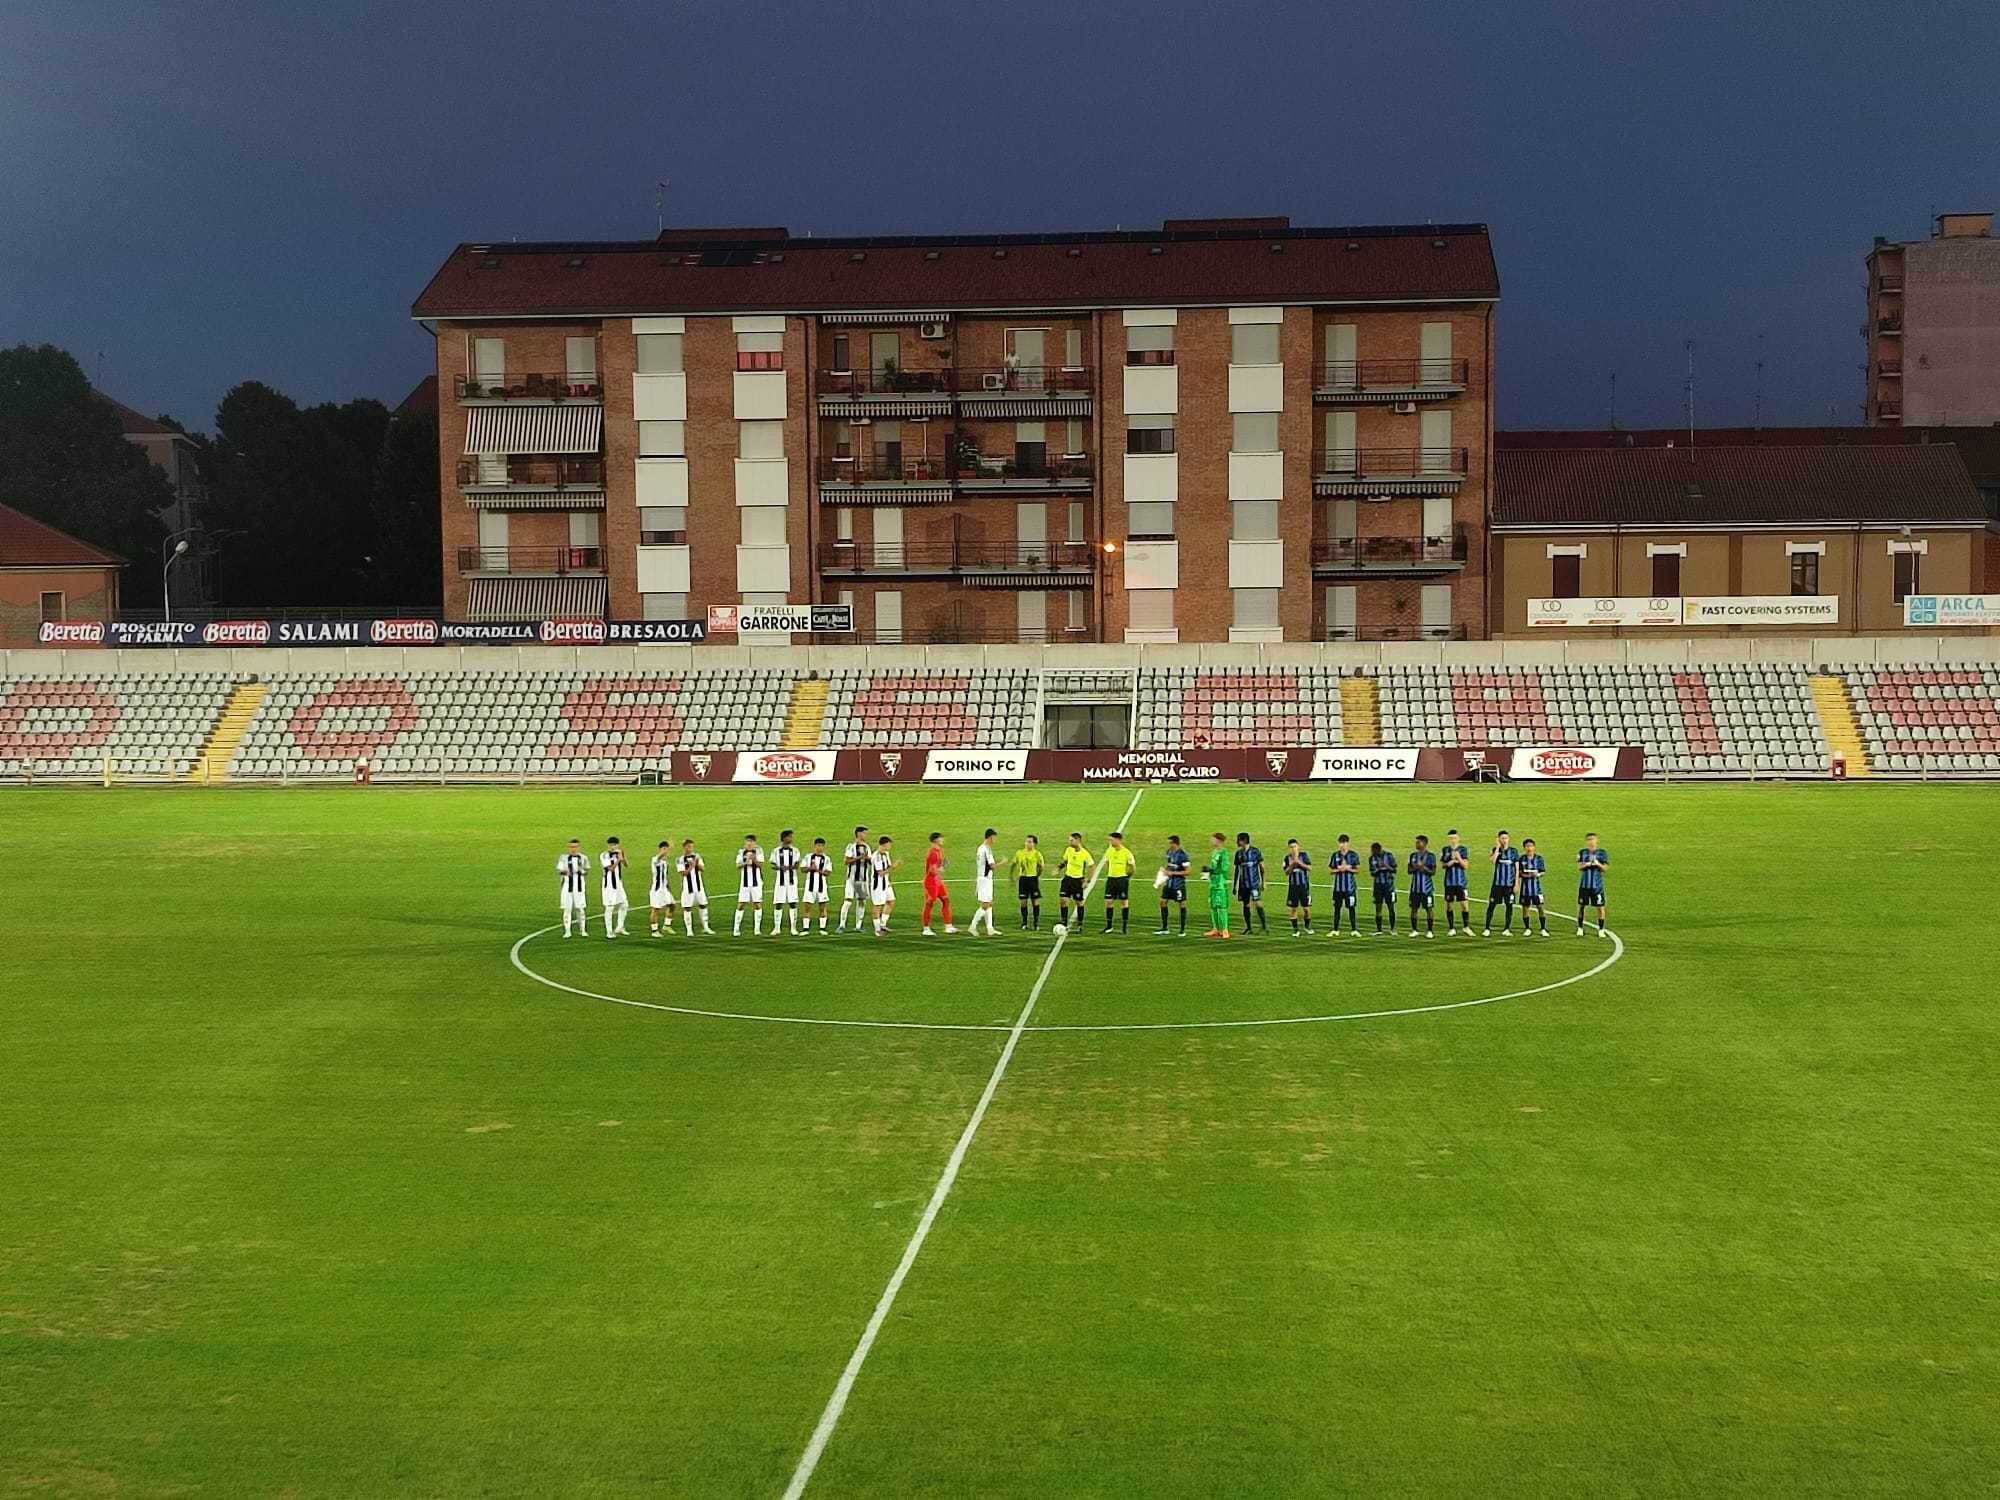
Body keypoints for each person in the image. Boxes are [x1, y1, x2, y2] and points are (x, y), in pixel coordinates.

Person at [968, 829, 1007, 937]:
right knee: (985, 905)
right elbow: (992, 866)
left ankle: (990, 928)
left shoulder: (981, 848)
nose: (995, 840)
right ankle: (973, 926)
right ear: (990, 837)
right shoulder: (986, 849)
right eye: (995, 837)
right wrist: (1003, 862)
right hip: (985, 880)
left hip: (984, 879)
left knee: (989, 903)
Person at [1099, 830, 1137, 933]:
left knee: (1124, 902)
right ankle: (1109, 926)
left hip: (1121, 880)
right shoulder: (1109, 851)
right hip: (1111, 879)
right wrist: (1110, 873)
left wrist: (1127, 877)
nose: (1110, 842)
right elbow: (1107, 862)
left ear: (1118, 840)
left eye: (1112, 840)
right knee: (1108, 902)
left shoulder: (1126, 852)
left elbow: (1132, 867)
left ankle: (1124, 927)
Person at [1484, 829, 1519, 936]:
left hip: (1509, 885)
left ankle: (1507, 929)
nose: (1504, 840)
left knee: (1509, 906)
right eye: (1502, 838)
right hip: (1497, 884)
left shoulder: (1513, 851)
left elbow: (1516, 868)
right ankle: (1487, 928)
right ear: (1498, 839)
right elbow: (1492, 861)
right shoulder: (1496, 850)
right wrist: (1498, 848)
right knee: (1492, 905)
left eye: (1506, 838)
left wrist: (1516, 883)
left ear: (1509, 839)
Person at [1057, 832, 1094, 933]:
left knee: (1079, 903)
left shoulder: (1085, 853)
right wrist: (1058, 868)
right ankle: (1064, 922)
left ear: (1078, 840)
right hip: (1067, 879)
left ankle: (1080, 924)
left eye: (1071, 840)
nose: (1069, 842)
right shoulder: (1068, 850)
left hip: (1078, 881)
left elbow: (1092, 866)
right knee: (1063, 901)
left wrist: (1088, 880)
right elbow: (1065, 861)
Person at [921, 832, 957, 936]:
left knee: (946, 900)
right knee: (929, 903)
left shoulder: (938, 851)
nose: (943, 840)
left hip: (937, 881)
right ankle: (926, 928)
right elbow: (932, 871)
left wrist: (941, 867)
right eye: (941, 838)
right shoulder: (933, 853)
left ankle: (948, 926)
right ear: (936, 840)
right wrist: (943, 868)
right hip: (931, 882)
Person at [1576, 833, 1610, 938]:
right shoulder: (1583, 852)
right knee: (1581, 906)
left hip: (1597, 886)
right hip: (1584, 885)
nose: (1591, 841)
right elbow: (1579, 867)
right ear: (1587, 841)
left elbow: (1605, 869)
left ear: (1597, 840)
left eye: (1593, 839)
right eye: (1589, 839)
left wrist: (1597, 863)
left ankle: (1601, 929)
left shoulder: (1602, 853)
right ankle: (1580, 928)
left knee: (1600, 907)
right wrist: (1587, 864)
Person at [1326, 835, 1361, 938]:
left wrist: (1348, 869)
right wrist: (1339, 870)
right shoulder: (1335, 855)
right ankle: (1335, 929)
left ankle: (1354, 929)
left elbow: (1358, 870)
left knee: (1351, 908)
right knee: (1337, 908)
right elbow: (1330, 870)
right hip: (1338, 888)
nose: (1343, 845)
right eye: (1341, 843)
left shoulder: (1353, 855)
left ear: (1348, 843)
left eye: (1344, 843)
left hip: (1350, 888)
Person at [839, 825, 872, 933]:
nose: (866, 835)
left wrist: (866, 858)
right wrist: (858, 857)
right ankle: (842, 925)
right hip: (852, 878)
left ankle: (858, 925)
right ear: (859, 834)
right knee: (848, 901)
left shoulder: (867, 847)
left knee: (861, 901)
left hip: (863, 879)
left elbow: (871, 862)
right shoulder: (851, 847)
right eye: (864, 833)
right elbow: (846, 861)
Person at [769, 830, 802, 935]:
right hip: (780, 881)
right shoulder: (776, 851)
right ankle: (777, 928)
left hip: (792, 881)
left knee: (793, 903)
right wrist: (780, 867)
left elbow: (797, 865)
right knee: (778, 903)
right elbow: (772, 864)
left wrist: (788, 867)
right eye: (789, 837)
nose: (791, 839)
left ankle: (793, 928)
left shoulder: (795, 851)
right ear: (784, 838)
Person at [1440, 828, 1472, 936]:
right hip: (1449, 882)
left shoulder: (1463, 850)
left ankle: (1466, 927)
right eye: (1451, 838)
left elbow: (1466, 866)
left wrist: (1458, 858)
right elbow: (1442, 865)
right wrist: (1449, 863)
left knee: (1464, 905)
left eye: (1454, 838)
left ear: (1458, 838)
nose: (1453, 840)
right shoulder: (1445, 850)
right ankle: (1451, 928)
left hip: (1461, 882)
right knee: (1449, 905)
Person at [1156, 834, 1191, 936]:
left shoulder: (1183, 855)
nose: (1169, 845)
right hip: (1169, 883)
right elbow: (1170, 865)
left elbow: (1188, 871)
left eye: (1170, 843)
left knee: (1182, 904)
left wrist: (1173, 873)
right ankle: (1165, 928)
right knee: (1163, 902)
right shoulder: (1169, 852)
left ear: (1175, 843)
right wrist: (1165, 871)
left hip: (1178, 885)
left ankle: (1182, 930)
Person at [1234, 832, 1268, 934]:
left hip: (1254, 883)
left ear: (1243, 841)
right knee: (1246, 905)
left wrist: (1263, 882)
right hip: (1243, 885)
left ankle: (1264, 926)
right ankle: (1249, 928)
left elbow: (1262, 867)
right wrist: (1235, 885)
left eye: (1238, 840)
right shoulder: (1238, 854)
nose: (1237, 842)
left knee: (1258, 903)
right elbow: (1237, 870)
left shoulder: (1255, 851)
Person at [556, 838, 590, 938]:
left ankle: (583, 930)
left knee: (580, 909)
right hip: (567, 887)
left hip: (579, 887)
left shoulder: (583, 858)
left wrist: (581, 870)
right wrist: (567, 872)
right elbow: (560, 870)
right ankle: (567, 931)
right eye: (571, 847)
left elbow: (587, 870)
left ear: (578, 847)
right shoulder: (563, 858)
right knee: (567, 909)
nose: (573, 849)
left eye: (575, 847)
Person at [678, 838, 713, 935]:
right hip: (687, 888)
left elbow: (702, 869)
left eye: (692, 847)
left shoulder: (697, 856)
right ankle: (689, 930)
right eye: (689, 847)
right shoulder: (680, 860)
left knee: (703, 905)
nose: (691, 849)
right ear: (684, 847)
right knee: (687, 907)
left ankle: (706, 927)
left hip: (699, 887)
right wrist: (691, 866)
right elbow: (683, 873)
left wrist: (697, 864)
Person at [870, 834, 902, 935]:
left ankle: (882, 924)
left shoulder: (886, 854)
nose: (890, 847)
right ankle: (877, 930)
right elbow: (881, 873)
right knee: (878, 906)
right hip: (878, 885)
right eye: (889, 845)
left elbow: (887, 866)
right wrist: (894, 866)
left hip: (886, 883)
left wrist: (892, 866)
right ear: (884, 845)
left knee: (891, 901)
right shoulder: (876, 857)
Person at [733, 834, 765, 936]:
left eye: (751, 842)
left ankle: (757, 929)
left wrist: (754, 859)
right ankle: (736, 929)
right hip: (745, 883)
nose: (749, 844)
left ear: (754, 843)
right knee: (741, 904)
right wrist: (746, 862)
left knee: (757, 903)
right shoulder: (741, 852)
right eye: (748, 841)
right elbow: (737, 866)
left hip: (756, 883)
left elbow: (761, 865)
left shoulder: (759, 851)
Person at [1407, 834, 1438, 939]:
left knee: (1429, 909)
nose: (1416, 844)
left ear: (1424, 844)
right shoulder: (1413, 856)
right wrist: (1416, 866)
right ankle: (1414, 930)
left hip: (1427, 889)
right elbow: (1409, 870)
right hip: (1415, 888)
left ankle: (1430, 930)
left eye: (1418, 842)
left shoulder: (1430, 856)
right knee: (1414, 909)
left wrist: (1423, 867)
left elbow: (1433, 872)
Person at [1203, 832, 1233, 939]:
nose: (1211, 841)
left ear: (1219, 841)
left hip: (1220, 883)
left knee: (1222, 906)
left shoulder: (1224, 852)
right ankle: (1215, 929)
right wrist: (1208, 872)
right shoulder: (1214, 852)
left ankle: (1225, 930)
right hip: (1213, 883)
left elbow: (1224, 868)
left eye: (1213, 839)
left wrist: (1213, 870)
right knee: (1213, 906)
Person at [1518, 838, 1550, 937]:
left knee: (1540, 907)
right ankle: (1527, 928)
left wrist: (1538, 875)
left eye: (1531, 846)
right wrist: (1525, 875)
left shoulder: (1539, 858)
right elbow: (1518, 872)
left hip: (1537, 889)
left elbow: (1543, 871)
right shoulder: (1521, 859)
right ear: (1524, 848)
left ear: (1534, 847)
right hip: (1525, 889)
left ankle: (1543, 928)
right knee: (1525, 908)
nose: (1529, 848)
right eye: (1527, 846)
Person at [600, 836, 630, 938]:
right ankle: (609, 932)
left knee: (624, 904)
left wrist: (623, 856)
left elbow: (626, 865)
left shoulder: (619, 853)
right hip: (609, 885)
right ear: (608, 845)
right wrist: (618, 860)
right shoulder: (604, 855)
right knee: (610, 907)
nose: (613, 847)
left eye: (615, 845)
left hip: (618, 883)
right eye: (611, 845)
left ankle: (620, 927)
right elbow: (610, 869)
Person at [802, 837, 833, 935]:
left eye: (821, 846)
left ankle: (822, 928)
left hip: (821, 886)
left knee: (822, 907)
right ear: (814, 846)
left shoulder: (827, 859)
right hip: (809, 886)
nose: (819, 847)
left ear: (824, 847)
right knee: (807, 907)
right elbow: (802, 869)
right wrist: (810, 868)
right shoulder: (808, 857)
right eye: (818, 845)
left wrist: (817, 870)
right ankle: (805, 929)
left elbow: (828, 872)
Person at [1283, 838, 1313, 936]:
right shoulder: (1287, 858)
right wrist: (1292, 864)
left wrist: (1298, 863)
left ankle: (1307, 926)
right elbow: (1286, 872)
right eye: (1291, 847)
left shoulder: (1304, 856)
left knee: (1306, 909)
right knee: (1293, 909)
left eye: (1295, 846)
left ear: (1298, 846)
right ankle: (1295, 930)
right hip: (1293, 887)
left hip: (1304, 886)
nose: (1293, 849)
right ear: (1289, 848)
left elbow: (1309, 868)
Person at [1014, 834, 1045, 930]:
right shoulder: (1019, 853)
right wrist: (1013, 876)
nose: (1027, 843)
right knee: (1023, 902)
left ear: (1034, 844)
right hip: (1023, 879)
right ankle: (1024, 922)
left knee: (1035, 901)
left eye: (1030, 842)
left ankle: (1036, 923)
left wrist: (1037, 875)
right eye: (1026, 841)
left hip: (1033, 879)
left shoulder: (1037, 854)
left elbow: (1041, 866)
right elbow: (1014, 864)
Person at [1368, 840, 1399, 936]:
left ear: (1378, 850)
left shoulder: (1389, 856)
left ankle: (1393, 928)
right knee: (1378, 907)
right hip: (1378, 886)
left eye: (1373, 851)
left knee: (1391, 907)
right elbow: (1372, 873)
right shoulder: (1372, 858)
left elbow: (1394, 870)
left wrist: (1386, 866)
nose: (1372, 853)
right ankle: (1378, 929)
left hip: (1389, 886)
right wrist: (1379, 869)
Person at [648, 840, 677, 938]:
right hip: (657, 890)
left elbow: (665, 876)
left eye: (666, 849)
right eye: (663, 849)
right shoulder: (655, 859)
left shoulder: (665, 862)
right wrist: (669, 848)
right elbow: (661, 855)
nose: (665, 851)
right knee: (656, 909)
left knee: (672, 905)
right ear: (660, 849)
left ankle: (666, 926)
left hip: (665, 889)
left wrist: (668, 887)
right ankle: (654, 930)